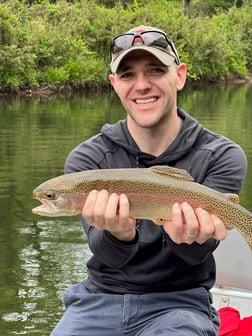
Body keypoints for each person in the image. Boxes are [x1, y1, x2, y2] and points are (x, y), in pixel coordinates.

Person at [50, 25, 247, 336]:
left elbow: (198, 253)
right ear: (114, 84)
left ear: (180, 75)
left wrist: (193, 235)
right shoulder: (87, 161)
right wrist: (120, 232)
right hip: (99, 299)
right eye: (128, 75)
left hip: (181, 303)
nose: (141, 85)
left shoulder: (221, 155)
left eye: (155, 70)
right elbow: (106, 254)